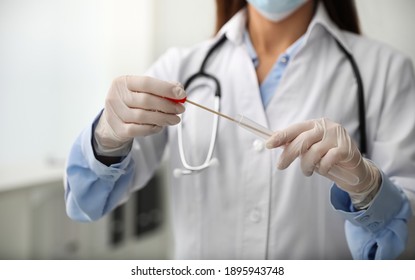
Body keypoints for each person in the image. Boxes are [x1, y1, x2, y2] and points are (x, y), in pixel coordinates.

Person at [64, 0, 415, 259]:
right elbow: (86, 202)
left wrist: (368, 189)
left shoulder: (384, 71)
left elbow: (403, 244)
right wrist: (107, 136)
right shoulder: (181, 67)